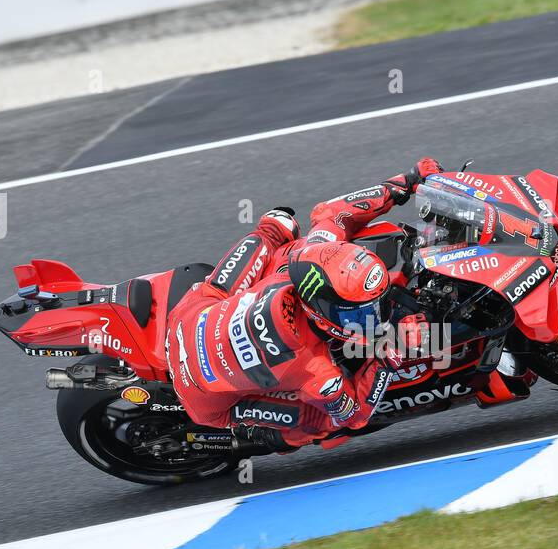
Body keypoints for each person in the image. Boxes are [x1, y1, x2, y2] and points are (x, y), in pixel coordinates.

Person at [164, 157, 442, 450]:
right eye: (361, 313)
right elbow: (355, 415)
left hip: (189, 315)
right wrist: (389, 353)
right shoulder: (315, 369)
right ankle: (256, 435)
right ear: (322, 314)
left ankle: (269, 232)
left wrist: (405, 183)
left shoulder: (306, 257)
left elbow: (333, 212)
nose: (376, 316)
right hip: (201, 396)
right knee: (323, 422)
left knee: (277, 227)